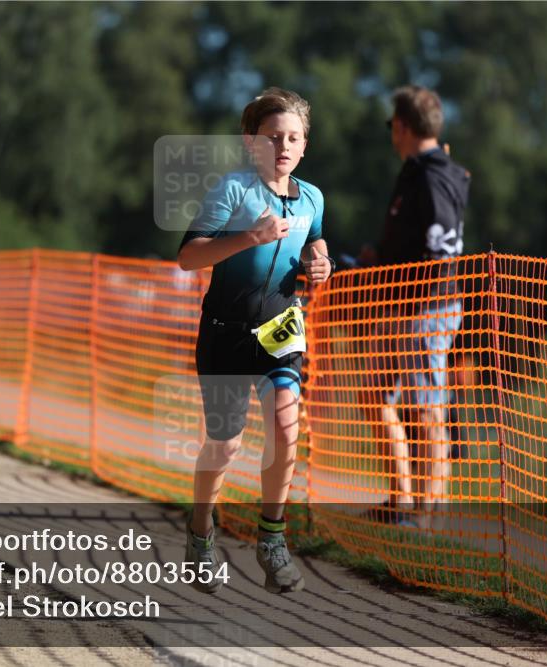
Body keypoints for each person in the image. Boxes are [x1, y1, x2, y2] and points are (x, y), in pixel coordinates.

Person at [177, 87, 334, 594]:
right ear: (251, 143)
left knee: (287, 426)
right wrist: (249, 237)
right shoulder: (233, 191)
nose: (282, 147)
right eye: (272, 138)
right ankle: (201, 532)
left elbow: (314, 240)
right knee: (225, 446)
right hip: (225, 331)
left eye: (292, 138)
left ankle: (272, 539)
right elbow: (189, 256)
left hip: (280, 328)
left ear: (305, 145)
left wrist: (321, 264)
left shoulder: (312, 197)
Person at [357, 86, 470, 525]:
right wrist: (379, 258)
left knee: (426, 406)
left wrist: (402, 269)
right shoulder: (421, 170)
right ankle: (401, 500)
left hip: (425, 304)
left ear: (401, 126)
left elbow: (439, 241)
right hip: (401, 302)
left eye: (392, 125)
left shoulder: (432, 173)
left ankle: (428, 515)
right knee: (375, 394)